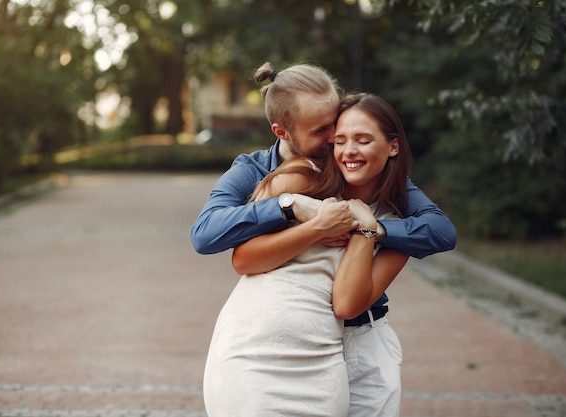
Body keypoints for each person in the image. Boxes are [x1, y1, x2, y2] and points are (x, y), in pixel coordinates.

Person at [191, 62, 457, 416]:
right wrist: (292, 209)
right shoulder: (270, 174)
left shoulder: (390, 197)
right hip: (267, 350)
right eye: (326, 131)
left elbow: (441, 231)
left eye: (341, 124)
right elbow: (209, 236)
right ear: (282, 132)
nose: (337, 139)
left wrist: (373, 228)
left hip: (358, 336)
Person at [203, 144, 408, 416]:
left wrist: (366, 229)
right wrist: (314, 225)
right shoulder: (299, 179)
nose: (349, 150)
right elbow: (241, 259)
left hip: (325, 362)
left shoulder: (401, 225)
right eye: (341, 138)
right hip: (251, 355)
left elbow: (346, 304)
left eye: (364, 139)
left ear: (392, 146)